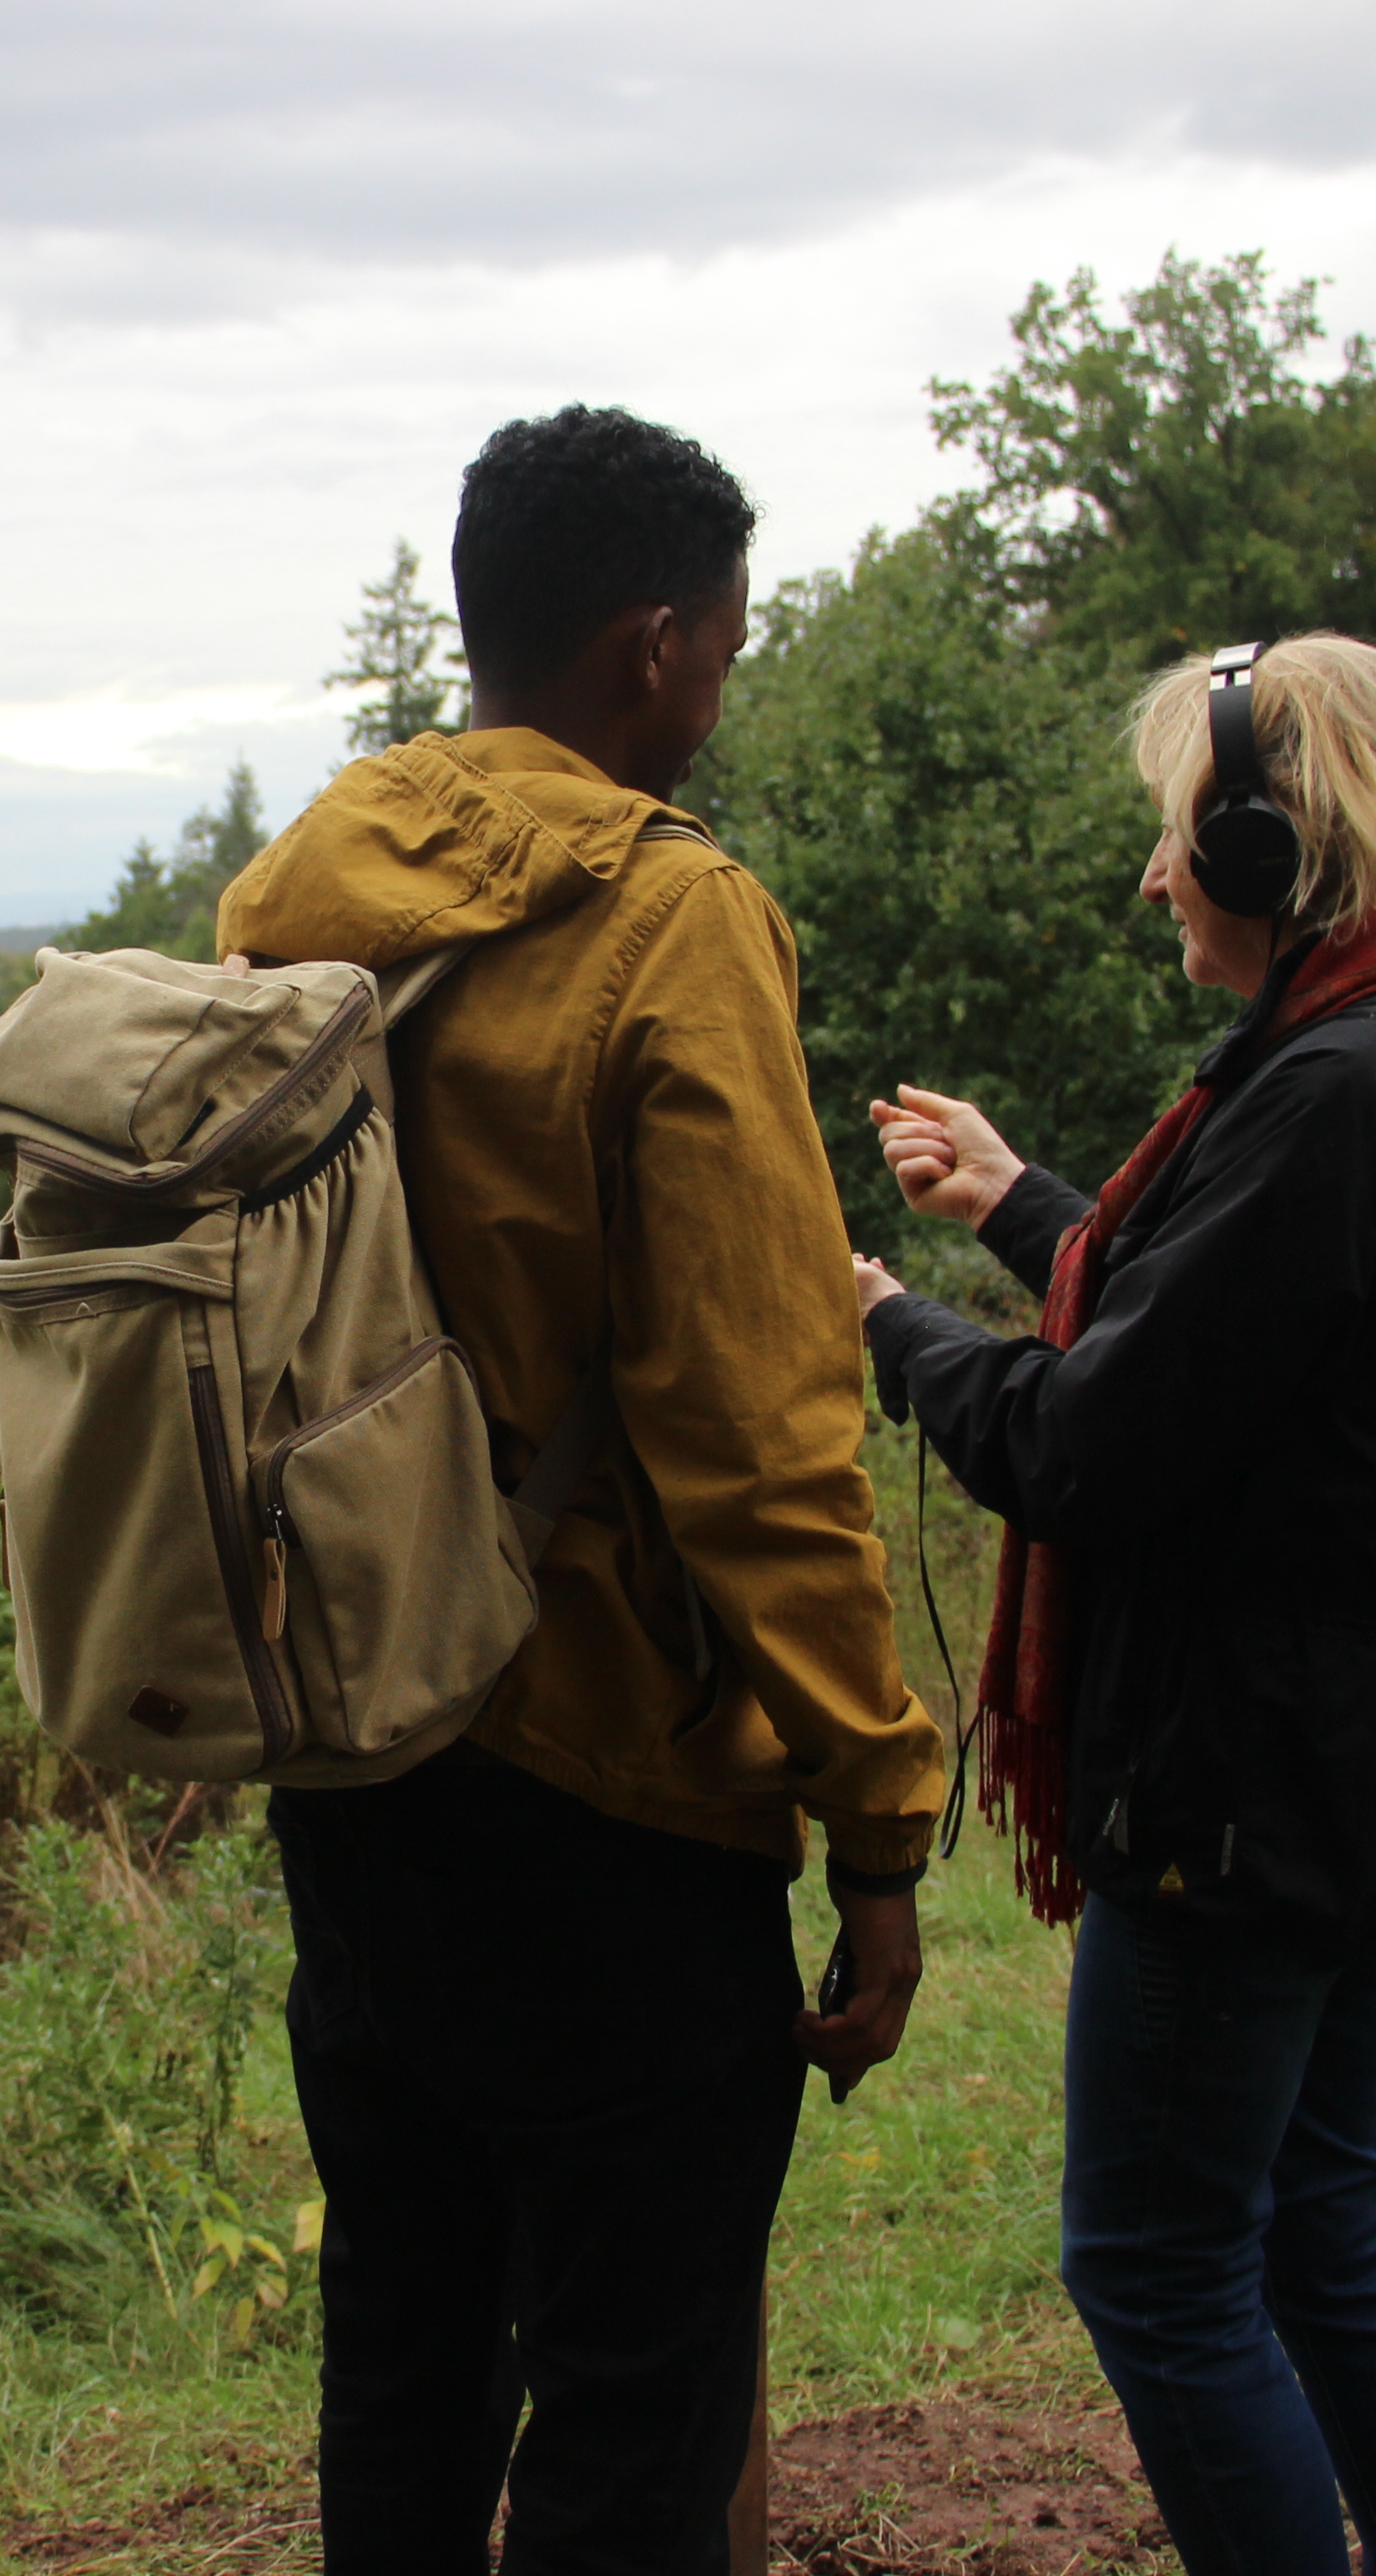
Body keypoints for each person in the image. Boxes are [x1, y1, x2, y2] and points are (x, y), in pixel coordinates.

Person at [215, 405, 948, 2576]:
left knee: (409, 2362)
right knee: (636, 2419)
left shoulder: (300, 893)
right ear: (650, 646)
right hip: (608, 1787)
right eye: (724, 639)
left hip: (351, 1740)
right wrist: (878, 1822)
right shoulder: (671, 921)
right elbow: (761, 1431)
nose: (722, 681)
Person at [854, 633, 1376, 2576]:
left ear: (1273, 847)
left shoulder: (1335, 1096)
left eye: (1184, 841)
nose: (1160, 879)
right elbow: (1251, 1338)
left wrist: (885, 1330)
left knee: (1164, 2273)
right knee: (1325, 2218)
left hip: (1247, 1790)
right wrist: (1027, 1208)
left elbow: (1096, 1445)